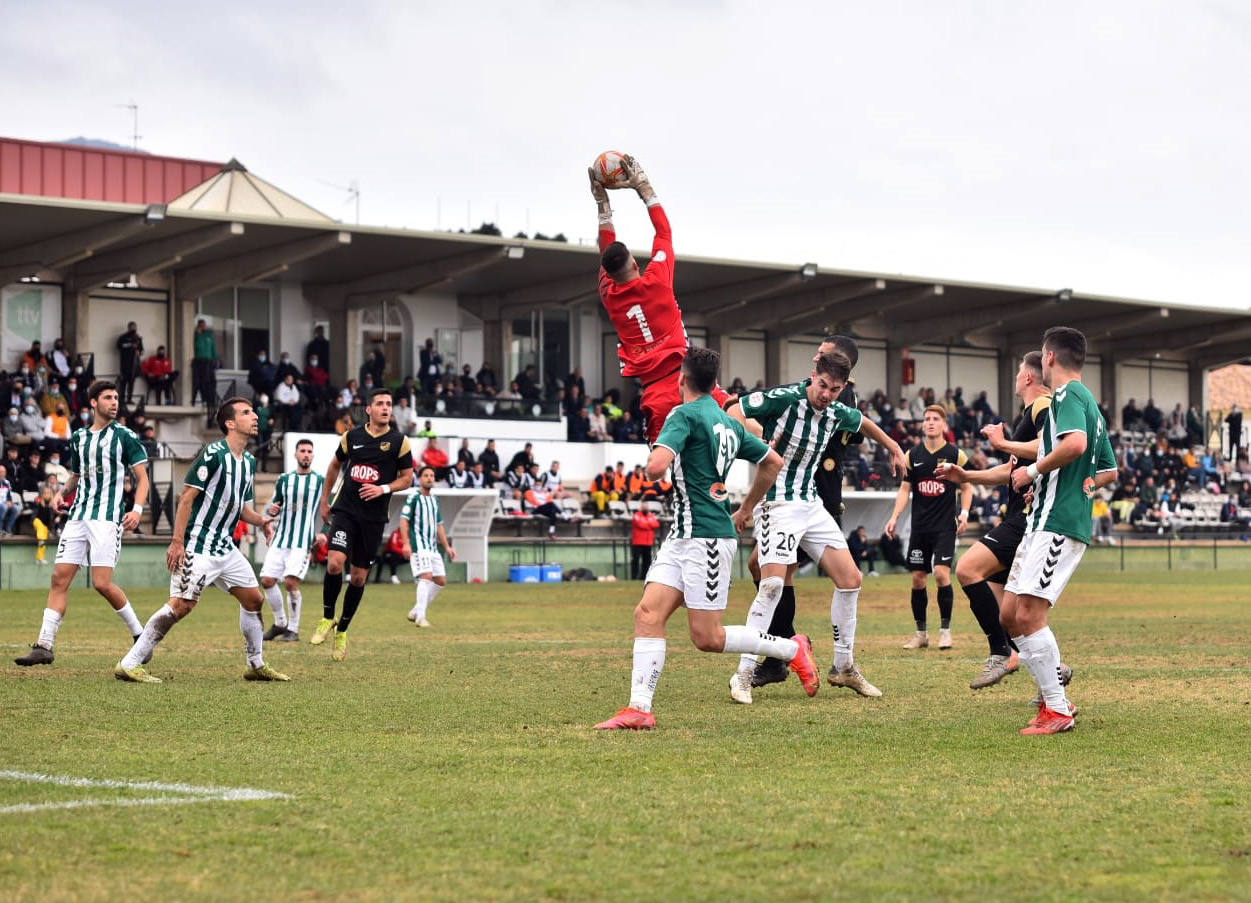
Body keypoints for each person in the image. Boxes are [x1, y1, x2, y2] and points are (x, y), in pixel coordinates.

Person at [593, 347, 816, 730]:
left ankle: (793, 648)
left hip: (707, 538)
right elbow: (773, 462)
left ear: (681, 378)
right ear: (714, 383)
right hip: (684, 536)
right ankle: (639, 709)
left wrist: (649, 469)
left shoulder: (684, 415)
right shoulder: (727, 422)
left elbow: (657, 467)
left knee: (707, 638)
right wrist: (745, 507)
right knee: (647, 614)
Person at [727, 351, 906, 702]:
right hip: (777, 503)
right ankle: (743, 673)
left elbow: (863, 422)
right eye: (822, 385)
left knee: (851, 580)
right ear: (813, 376)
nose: (826, 394)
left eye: (834, 390)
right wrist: (753, 436)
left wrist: (895, 447)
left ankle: (843, 666)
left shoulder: (837, 412)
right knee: (772, 583)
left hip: (811, 506)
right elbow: (734, 409)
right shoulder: (786, 398)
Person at [114, 397, 285, 683]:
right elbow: (186, 499)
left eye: (253, 411)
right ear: (230, 423)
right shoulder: (213, 453)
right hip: (198, 545)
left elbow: (242, 508)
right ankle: (129, 663)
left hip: (225, 548)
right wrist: (177, 542)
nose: (254, 416)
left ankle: (255, 665)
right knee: (181, 605)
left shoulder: (249, 462)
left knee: (254, 600)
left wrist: (262, 521)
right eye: (246, 413)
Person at [1001, 326, 1117, 734]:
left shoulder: (1068, 396)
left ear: (1048, 357)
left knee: (1029, 614)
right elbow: (1108, 470)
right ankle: (1056, 698)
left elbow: (1076, 447)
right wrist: (1063, 485)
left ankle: (1058, 709)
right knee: (1009, 614)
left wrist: (1032, 472)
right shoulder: (1089, 403)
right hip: (1042, 520)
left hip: (1057, 525)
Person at [590, 154, 727, 444]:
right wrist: (644, 188)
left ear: (609, 274)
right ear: (635, 265)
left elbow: (607, 253)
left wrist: (603, 207)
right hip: (690, 379)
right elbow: (663, 232)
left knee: (661, 461)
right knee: (739, 418)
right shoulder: (658, 281)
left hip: (654, 391)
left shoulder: (608, 294)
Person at [14, 381, 152, 667]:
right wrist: (61, 494)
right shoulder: (79, 438)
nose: (114, 402)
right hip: (78, 516)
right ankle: (44, 645)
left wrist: (137, 510)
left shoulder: (125, 437)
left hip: (106, 518)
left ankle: (141, 635)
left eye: (116, 397)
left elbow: (143, 479)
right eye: (107, 397)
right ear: (93, 403)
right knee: (59, 578)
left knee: (102, 583)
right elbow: (78, 475)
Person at [936, 352, 1051, 689]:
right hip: (1018, 515)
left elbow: (1049, 446)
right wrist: (965, 474)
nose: (1016, 376)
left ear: (1028, 377)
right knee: (1012, 615)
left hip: (1028, 517)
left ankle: (1000, 652)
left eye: (1018, 371)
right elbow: (1009, 470)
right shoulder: (1027, 415)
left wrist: (1002, 442)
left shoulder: (1043, 406)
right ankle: (1052, 669)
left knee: (968, 569)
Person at [313, 388, 414, 661]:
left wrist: (382, 489)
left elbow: (407, 478)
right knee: (334, 562)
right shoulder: (352, 436)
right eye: (380, 404)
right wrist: (325, 501)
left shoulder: (399, 442)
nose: (385, 408)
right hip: (346, 510)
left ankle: (342, 631)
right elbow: (334, 467)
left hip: (373, 518)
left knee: (358, 578)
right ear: (368, 409)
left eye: (389, 404)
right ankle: (326, 617)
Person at [885, 404, 974, 651]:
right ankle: (921, 634)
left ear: (944, 424)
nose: (930, 422)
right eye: (927, 419)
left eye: (935, 419)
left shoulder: (956, 455)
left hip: (945, 527)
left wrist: (964, 513)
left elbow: (967, 486)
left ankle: (945, 632)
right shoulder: (912, 456)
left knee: (942, 574)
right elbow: (905, 489)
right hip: (920, 528)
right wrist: (894, 517)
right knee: (917, 578)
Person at [258, 438, 325, 643]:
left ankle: (293, 630)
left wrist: (325, 532)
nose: (306, 454)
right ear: (295, 455)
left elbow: (329, 510)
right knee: (267, 580)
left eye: (309, 451)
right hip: (281, 539)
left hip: (301, 541)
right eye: (302, 451)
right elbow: (275, 505)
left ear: (313, 456)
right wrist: (272, 511)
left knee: (290, 582)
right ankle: (280, 623)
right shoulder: (285, 479)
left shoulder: (320, 481)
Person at [402, 465, 457, 627]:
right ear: (420, 479)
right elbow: (404, 520)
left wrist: (447, 546)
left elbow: (439, 525)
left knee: (440, 580)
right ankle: (421, 617)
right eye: (426, 475)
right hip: (419, 546)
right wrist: (406, 544)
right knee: (426, 577)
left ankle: (415, 610)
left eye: (432, 476)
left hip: (433, 547)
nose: (429, 478)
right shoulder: (414, 497)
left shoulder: (434, 499)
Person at [192, 318, 217, 409]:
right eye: (201, 325)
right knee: (201, 382)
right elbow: (198, 346)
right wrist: (198, 335)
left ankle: (210, 401)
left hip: (209, 361)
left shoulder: (209, 335)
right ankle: (203, 400)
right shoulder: (197, 335)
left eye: (204, 325)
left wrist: (216, 359)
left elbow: (213, 347)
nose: (203, 327)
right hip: (200, 361)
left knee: (210, 382)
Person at [115, 322, 143, 404]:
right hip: (125, 363)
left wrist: (138, 350)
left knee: (132, 383)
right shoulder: (123, 337)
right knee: (123, 382)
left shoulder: (138, 338)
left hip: (134, 364)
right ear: (129, 327)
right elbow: (118, 346)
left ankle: (129, 399)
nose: (134, 328)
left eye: (135, 327)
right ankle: (122, 399)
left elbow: (141, 350)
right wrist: (130, 345)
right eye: (132, 327)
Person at [630, 506, 659, 580]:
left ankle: (644, 577)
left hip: (648, 542)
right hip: (637, 542)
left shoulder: (651, 515)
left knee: (647, 561)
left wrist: (646, 523)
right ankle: (634, 577)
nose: (646, 509)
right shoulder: (636, 515)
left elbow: (656, 524)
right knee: (635, 561)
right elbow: (640, 524)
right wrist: (649, 524)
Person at [0, 465, 19, 534]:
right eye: (1, 472)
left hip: (5, 503)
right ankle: (0, 528)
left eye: (4, 472)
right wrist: (5, 503)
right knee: (4, 507)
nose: (2, 474)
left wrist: (10, 502)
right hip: (2, 504)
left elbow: (9, 495)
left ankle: (8, 527)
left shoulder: (7, 482)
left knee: (16, 508)